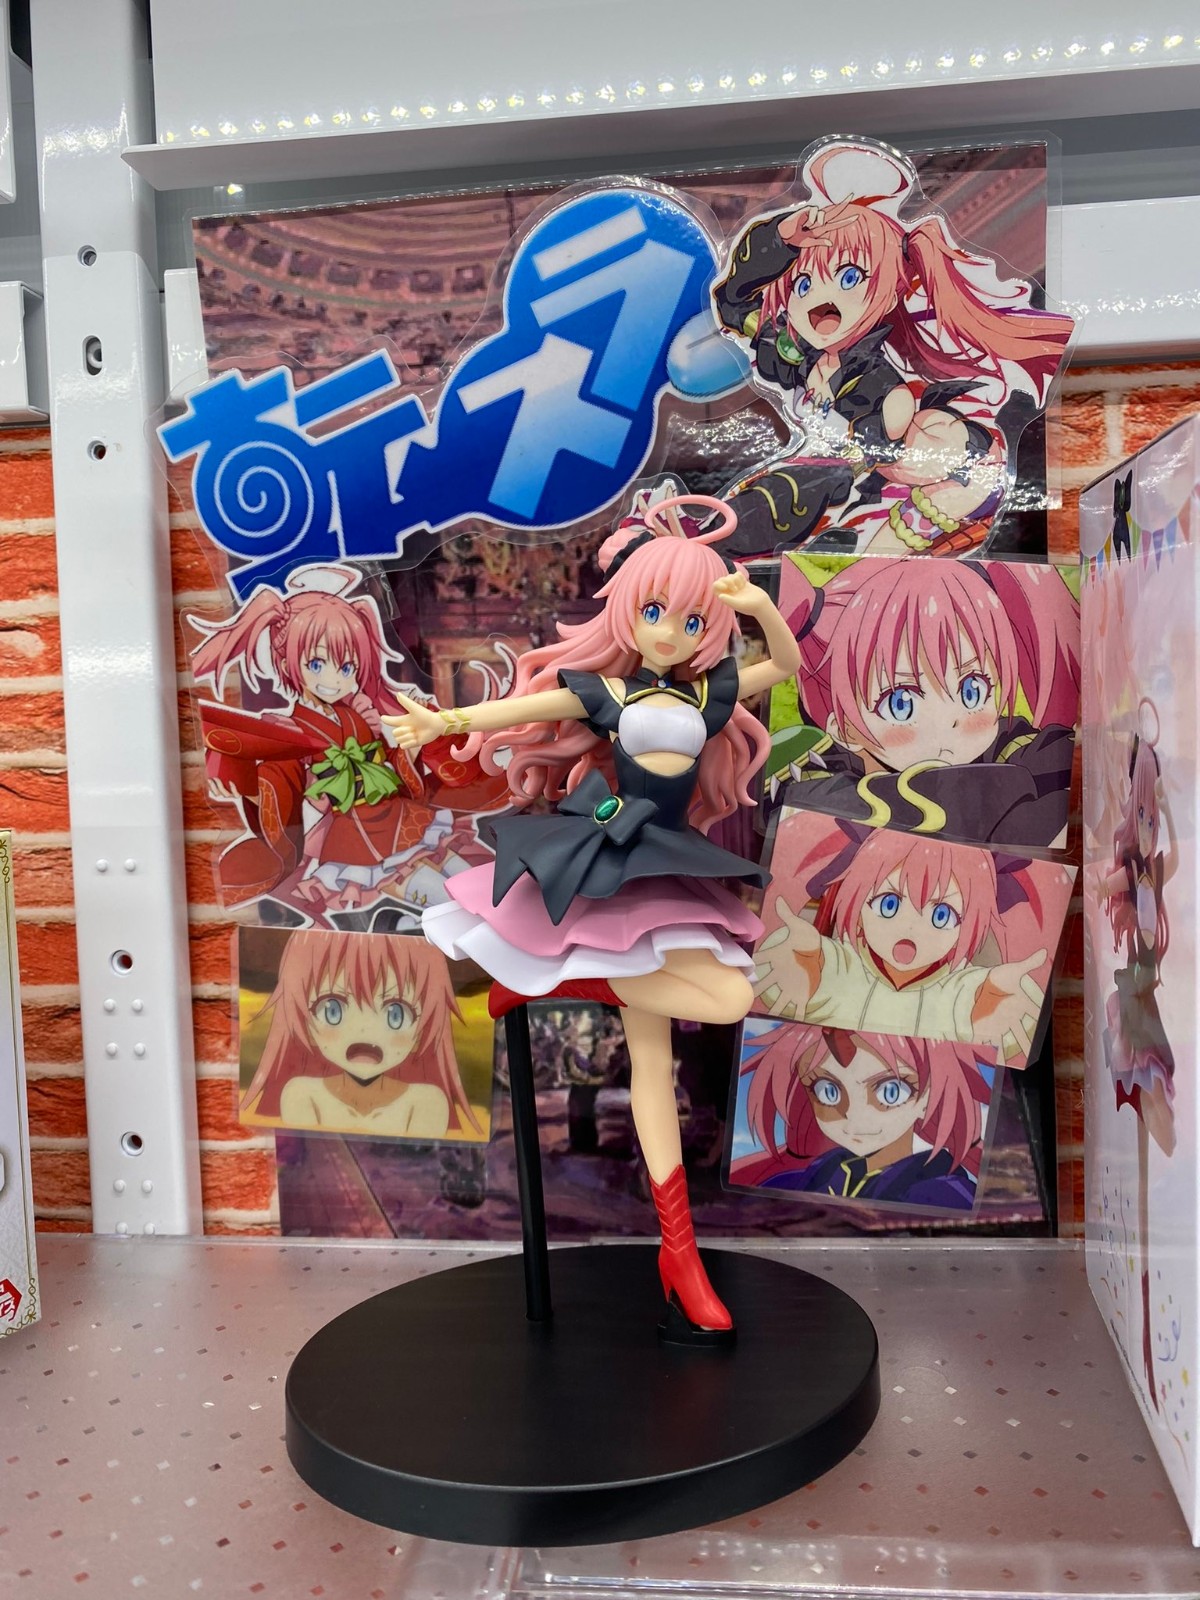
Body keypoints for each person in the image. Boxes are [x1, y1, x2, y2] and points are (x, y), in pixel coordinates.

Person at [385, 493, 800, 1341]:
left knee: (666, 1057)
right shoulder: (607, 693)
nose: (668, 632)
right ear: (628, 611)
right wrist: (448, 720)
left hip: (671, 866)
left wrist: (760, 612)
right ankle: (548, 979)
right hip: (611, 859)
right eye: (653, 612)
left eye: (689, 620)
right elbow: (526, 711)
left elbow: (784, 668)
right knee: (718, 1002)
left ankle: (678, 1252)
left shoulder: (712, 695)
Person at [712, 140, 1075, 557]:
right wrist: (779, 240)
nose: (819, 299)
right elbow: (734, 306)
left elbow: (861, 449)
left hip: (931, 489)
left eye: (849, 278)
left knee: (815, 509)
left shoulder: (879, 384)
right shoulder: (792, 356)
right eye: (804, 284)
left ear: (890, 293)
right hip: (855, 492)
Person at [191, 565, 502, 925]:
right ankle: (420, 928)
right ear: (287, 662)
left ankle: (439, 926)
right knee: (448, 902)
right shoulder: (289, 730)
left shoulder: (359, 713)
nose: (333, 679)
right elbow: (278, 788)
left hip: (402, 817)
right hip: (357, 839)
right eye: (316, 663)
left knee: (480, 888)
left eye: (346, 667)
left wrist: (413, 744)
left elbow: (390, 764)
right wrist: (242, 783)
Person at [776, 556, 1080, 846]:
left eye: (972, 689)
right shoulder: (816, 787)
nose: (949, 718)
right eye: (900, 703)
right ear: (844, 730)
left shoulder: (1017, 748)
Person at [752, 825, 1049, 1062]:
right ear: (857, 900)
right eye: (889, 904)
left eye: (941, 915)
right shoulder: (839, 966)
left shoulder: (960, 991)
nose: (911, 930)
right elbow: (787, 984)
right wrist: (800, 959)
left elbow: (1000, 1029)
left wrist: (999, 1000)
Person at [1092, 713, 1177, 1410]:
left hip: (1145, 1009)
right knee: (1152, 1131)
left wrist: (1163, 811)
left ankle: (1153, 1298)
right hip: (1135, 1007)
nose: (1146, 824)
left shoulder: (1151, 868)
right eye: (1141, 813)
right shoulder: (1132, 873)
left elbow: (1170, 855)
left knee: (1162, 1135)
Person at [241, 929, 482, 1138]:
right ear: (305, 1019)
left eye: (396, 1014)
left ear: (424, 1026)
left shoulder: (427, 1102)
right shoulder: (301, 1093)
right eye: (332, 1010)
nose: (364, 1034)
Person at [732, 1021, 989, 1211]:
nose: (854, 1119)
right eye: (828, 1091)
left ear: (928, 1098)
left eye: (891, 1092)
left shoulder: (946, 1196)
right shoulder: (808, 1179)